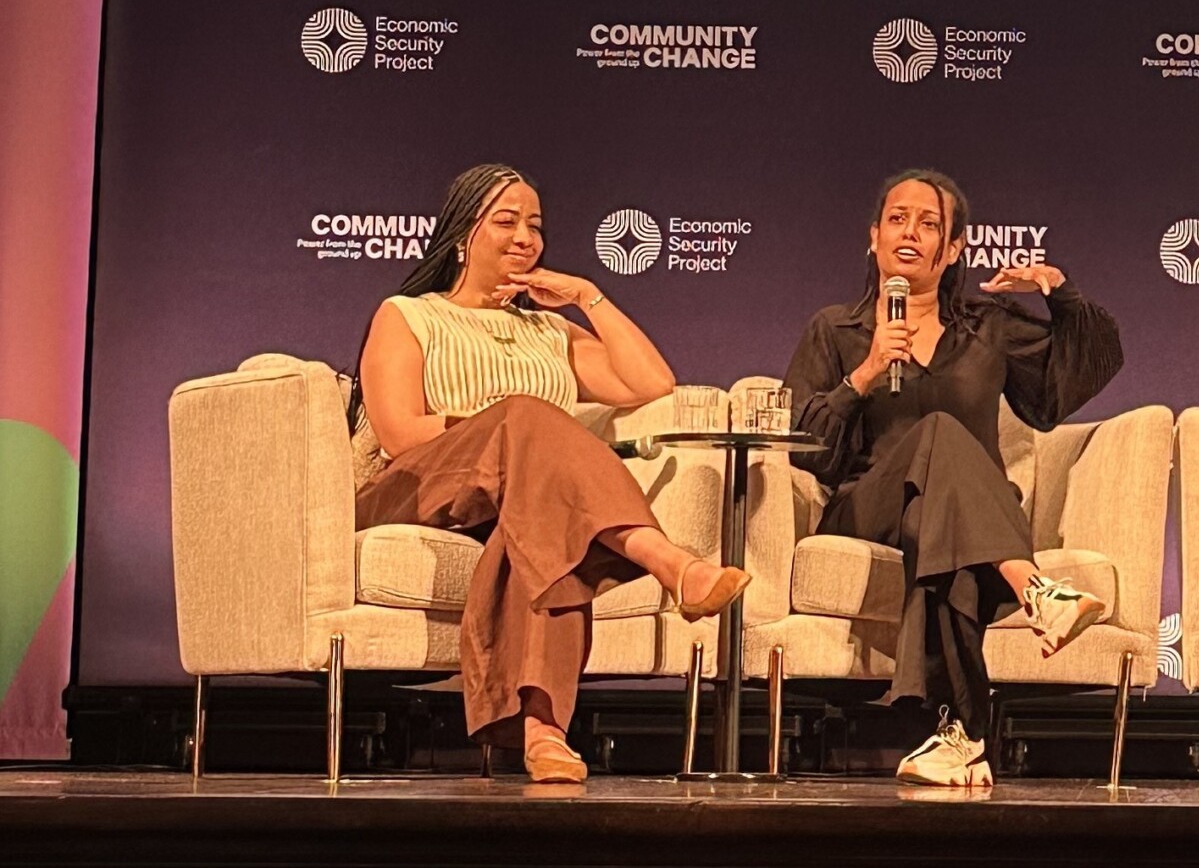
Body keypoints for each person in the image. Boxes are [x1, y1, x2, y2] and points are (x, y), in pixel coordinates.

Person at [349, 162, 746, 785]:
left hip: (515, 501)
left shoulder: (549, 330)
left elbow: (651, 383)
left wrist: (586, 295)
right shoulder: (408, 314)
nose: (524, 238)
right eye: (505, 221)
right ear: (462, 235)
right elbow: (400, 432)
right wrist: (505, 425)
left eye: (535, 225)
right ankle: (667, 560)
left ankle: (542, 730)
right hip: (421, 487)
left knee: (541, 533)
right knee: (529, 420)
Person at [782, 170, 1125, 788]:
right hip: (868, 510)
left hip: (962, 518)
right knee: (941, 433)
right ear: (873, 237)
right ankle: (1033, 584)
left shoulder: (985, 325)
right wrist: (860, 377)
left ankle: (958, 736)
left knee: (941, 534)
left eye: (929, 222)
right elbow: (805, 449)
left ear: (954, 249)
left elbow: (1072, 378)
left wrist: (1061, 292)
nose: (910, 231)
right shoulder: (835, 328)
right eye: (897, 219)